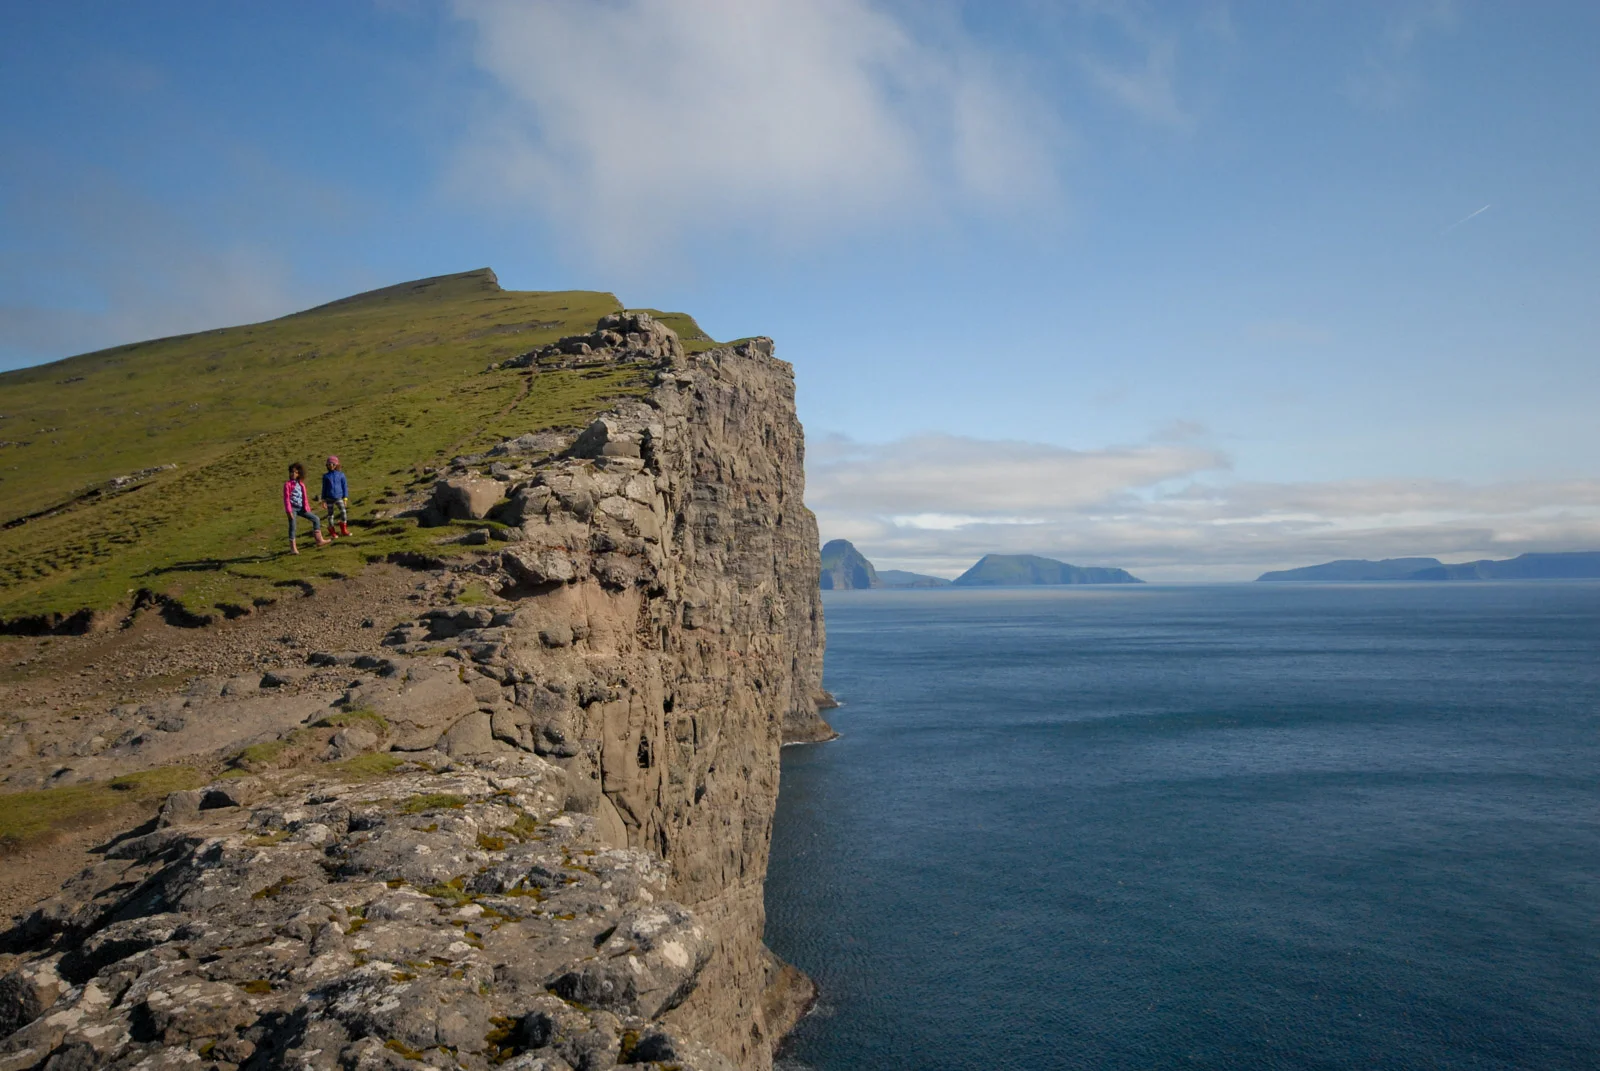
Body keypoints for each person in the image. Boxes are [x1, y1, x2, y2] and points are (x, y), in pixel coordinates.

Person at [283, 462, 326, 554]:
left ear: (299, 473)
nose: (293, 474)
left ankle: (319, 540)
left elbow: (304, 497)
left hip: (302, 508)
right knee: (293, 526)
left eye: (295, 472)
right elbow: (286, 499)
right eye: (291, 472)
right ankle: (293, 548)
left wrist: (307, 508)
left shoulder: (301, 484)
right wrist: (289, 511)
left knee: (316, 519)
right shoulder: (287, 484)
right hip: (292, 508)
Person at [321, 455, 350, 538]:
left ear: (336, 465)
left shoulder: (341, 475)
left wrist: (345, 498)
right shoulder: (326, 476)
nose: (331, 466)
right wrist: (323, 500)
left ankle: (343, 529)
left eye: (333, 464)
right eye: (329, 464)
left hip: (339, 497)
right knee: (330, 515)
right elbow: (324, 488)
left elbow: (344, 487)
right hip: (329, 498)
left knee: (343, 512)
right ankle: (332, 531)